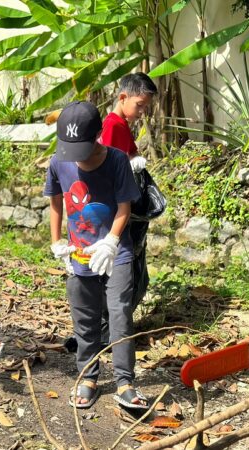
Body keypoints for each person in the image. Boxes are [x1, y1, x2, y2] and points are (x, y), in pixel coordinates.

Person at [45, 101, 148, 409]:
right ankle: (88, 376)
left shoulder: (116, 161)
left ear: (98, 136)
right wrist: (56, 242)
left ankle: (124, 382)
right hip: (78, 253)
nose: (78, 158)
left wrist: (112, 242)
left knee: (119, 315)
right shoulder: (58, 163)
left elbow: (124, 207)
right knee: (85, 317)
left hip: (116, 253)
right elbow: (56, 202)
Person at [100, 73, 158, 321]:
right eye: (140, 105)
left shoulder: (122, 125)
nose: (142, 112)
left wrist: (134, 159)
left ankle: (113, 327)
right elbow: (107, 164)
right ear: (123, 97)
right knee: (126, 273)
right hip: (118, 210)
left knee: (136, 273)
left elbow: (129, 152)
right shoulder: (111, 125)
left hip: (126, 208)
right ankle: (110, 329)